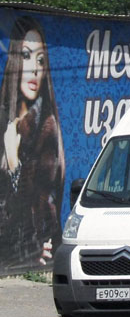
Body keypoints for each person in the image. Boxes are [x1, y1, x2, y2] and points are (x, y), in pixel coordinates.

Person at [0, 17, 65, 269]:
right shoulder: (6, 122)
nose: (35, 69)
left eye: (40, 60)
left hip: (27, 262)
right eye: (26, 56)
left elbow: (42, 218)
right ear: (15, 59)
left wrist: (14, 164)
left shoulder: (46, 131)